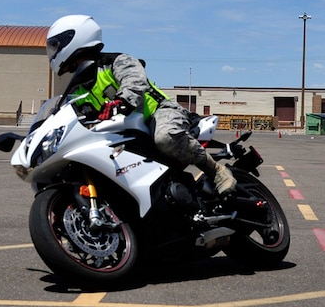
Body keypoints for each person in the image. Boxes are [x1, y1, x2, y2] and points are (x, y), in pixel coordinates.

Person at [45, 14, 236, 197]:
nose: (52, 51)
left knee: (165, 138)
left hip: (158, 113)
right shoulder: (78, 91)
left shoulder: (116, 62)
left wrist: (123, 101)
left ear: (75, 38)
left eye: (55, 45)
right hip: (125, 131)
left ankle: (216, 171)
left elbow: (134, 81)